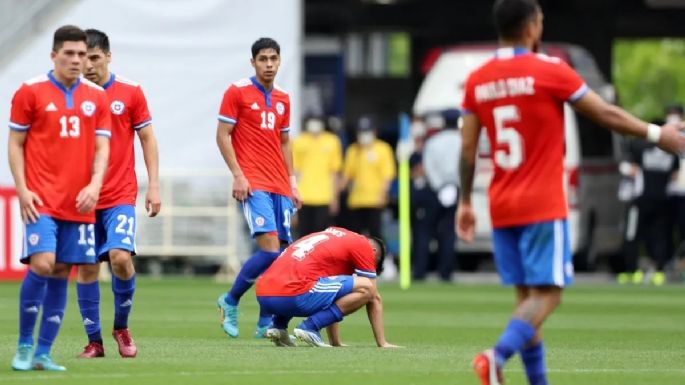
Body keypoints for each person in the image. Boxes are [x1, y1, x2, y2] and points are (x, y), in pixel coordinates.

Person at [456, 1, 685, 384]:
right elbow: (605, 114)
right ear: (531, 27)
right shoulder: (549, 70)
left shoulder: (478, 79)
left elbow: (467, 149)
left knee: (527, 302)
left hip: (502, 203)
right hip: (542, 203)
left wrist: (465, 201)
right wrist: (656, 133)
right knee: (549, 296)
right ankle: (496, 357)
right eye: (541, 20)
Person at [9, 25, 111, 371]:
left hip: (79, 203)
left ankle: (42, 353)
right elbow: (15, 144)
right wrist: (22, 189)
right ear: (54, 55)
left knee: (64, 270)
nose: (77, 60)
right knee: (42, 263)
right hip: (40, 200)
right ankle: (23, 345)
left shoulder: (96, 97)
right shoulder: (30, 92)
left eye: (82, 54)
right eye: (69, 53)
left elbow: (102, 148)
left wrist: (95, 184)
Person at [75, 28, 161, 359]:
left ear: (108, 57)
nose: (89, 65)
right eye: (84, 58)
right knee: (86, 268)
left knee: (121, 259)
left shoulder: (130, 92)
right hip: (82, 197)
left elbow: (148, 138)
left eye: (95, 58)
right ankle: (94, 342)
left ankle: (121, 327)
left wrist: (153, 184)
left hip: (120, 194)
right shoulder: (72, 96)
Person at [215, 37, 302, 339]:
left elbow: (285, 141)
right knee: (269, 250)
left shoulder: (283, 98)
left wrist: (293, 183)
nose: (268, 64)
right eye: (262, 59)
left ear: (280, 61)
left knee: (279, 256)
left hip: (279, 184)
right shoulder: (236, 92)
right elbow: (223, 135)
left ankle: (266, 321)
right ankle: (230, 299)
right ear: (252, 62)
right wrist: (238, 175)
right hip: (253, 182)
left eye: (273, 59)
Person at [255, 226, 399, 348]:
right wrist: (382, 343)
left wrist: (335, 343)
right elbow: (373, 295)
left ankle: (279, 326)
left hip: (264, 295)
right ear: (373, 252)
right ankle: (310, 327)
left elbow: (333, 294)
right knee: (367, 287)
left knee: (306, 279)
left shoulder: (334, 237)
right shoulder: (364, 245)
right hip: (294, 295)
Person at [618, 133, 678, 286]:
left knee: (632, 235)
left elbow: (630, 168)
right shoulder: (671, 152)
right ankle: (659, 271)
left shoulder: (640, 147)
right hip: (662, 199)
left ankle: (633, 271)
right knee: (659, 236)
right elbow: (674, 175)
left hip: (640, 200)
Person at [340, 115, 396, 242]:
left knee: (375, 235)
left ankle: (377, 260)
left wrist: (383, 194)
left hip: (375, 200)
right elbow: (346, 176)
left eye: (367, 131)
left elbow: (387, 175)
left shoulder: (383, 149)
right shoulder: (353, 150)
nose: (364, 136)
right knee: (356, 236)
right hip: (356, 201)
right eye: (361, 132)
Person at [421, 110, 462, 281]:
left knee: (425, 231)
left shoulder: (433, 141)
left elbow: (428, 165)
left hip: (434, 189)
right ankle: (445, 272)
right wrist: (455, 185)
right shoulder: (463, 141)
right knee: (449, 233)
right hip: (455, 187)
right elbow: (466, 164)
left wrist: (439, 186)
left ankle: (420, 271)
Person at [292, 115, 342, 237]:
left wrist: (335, 197)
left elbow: (334, 172)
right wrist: (292, 195)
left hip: (324, 196)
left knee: (321, 235)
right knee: (303, 234)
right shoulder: (299, 141)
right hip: (304, 196)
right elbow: (295, 171)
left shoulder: (332, 141)